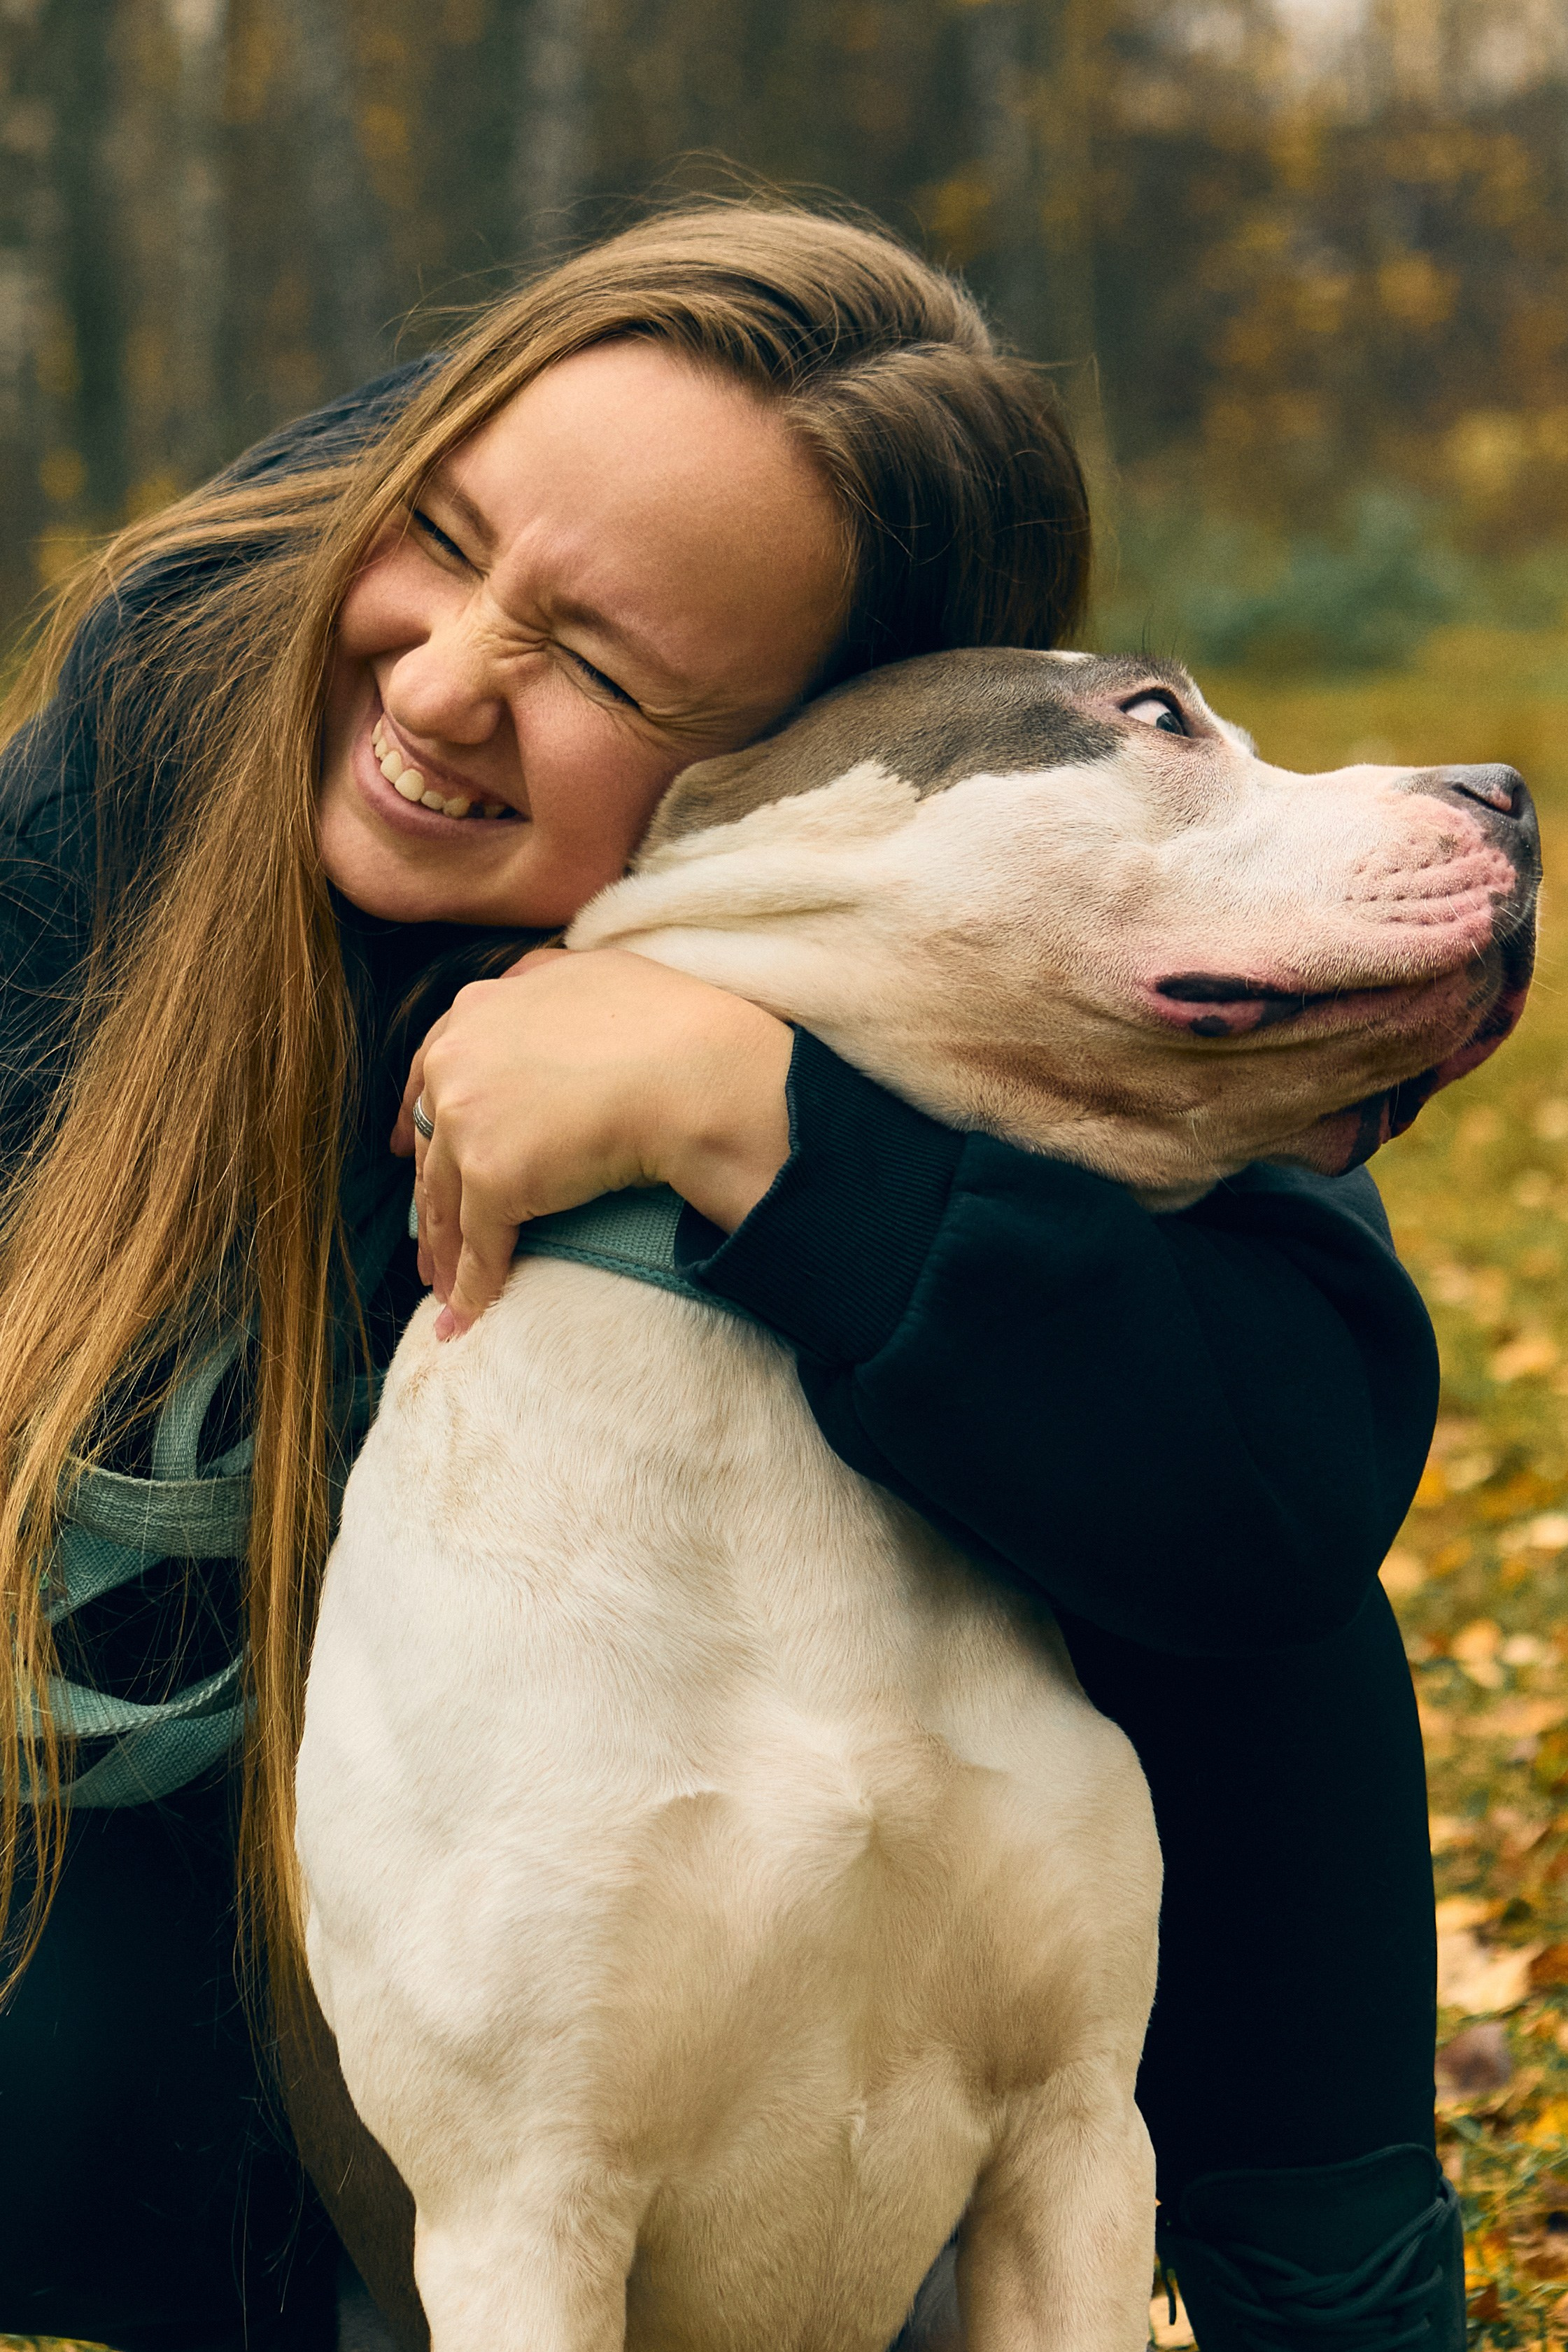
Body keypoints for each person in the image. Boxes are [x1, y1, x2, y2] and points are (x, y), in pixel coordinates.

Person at [0, 202, 1454, 2352]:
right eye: (450, 529)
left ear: (821, 763)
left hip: (848, 1935)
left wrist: (754, 1111)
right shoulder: (175, 707)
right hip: (210, 1828)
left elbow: (1287, 1461)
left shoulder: (958, 893)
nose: (441, 678)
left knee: (1205, 1486)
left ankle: (1338, 2303)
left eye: (599, 667)